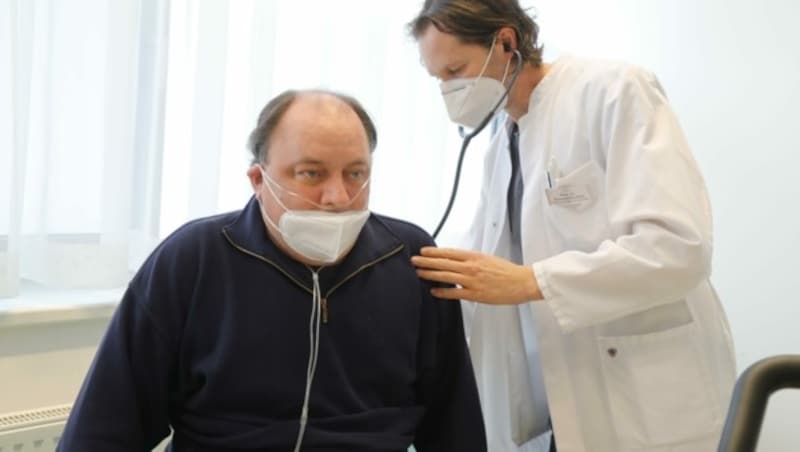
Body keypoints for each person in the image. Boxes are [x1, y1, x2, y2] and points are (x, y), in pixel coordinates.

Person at [57, 89, 487, 452]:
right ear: (258, 179)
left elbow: (454, 420)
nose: (337, 196)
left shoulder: (410, 258)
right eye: (310, 173)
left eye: (356, 173)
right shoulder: (194, 259)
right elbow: (107, 420)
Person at [406, 1, 737, 451]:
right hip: (566, 398)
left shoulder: (613, 91)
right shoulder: (502, 141)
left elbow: (679, 247)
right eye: (438, 79)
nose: (448, 89)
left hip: (646, 402)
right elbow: (482, 258)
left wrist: (531, 281)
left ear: (506, 42)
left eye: (455, 70)